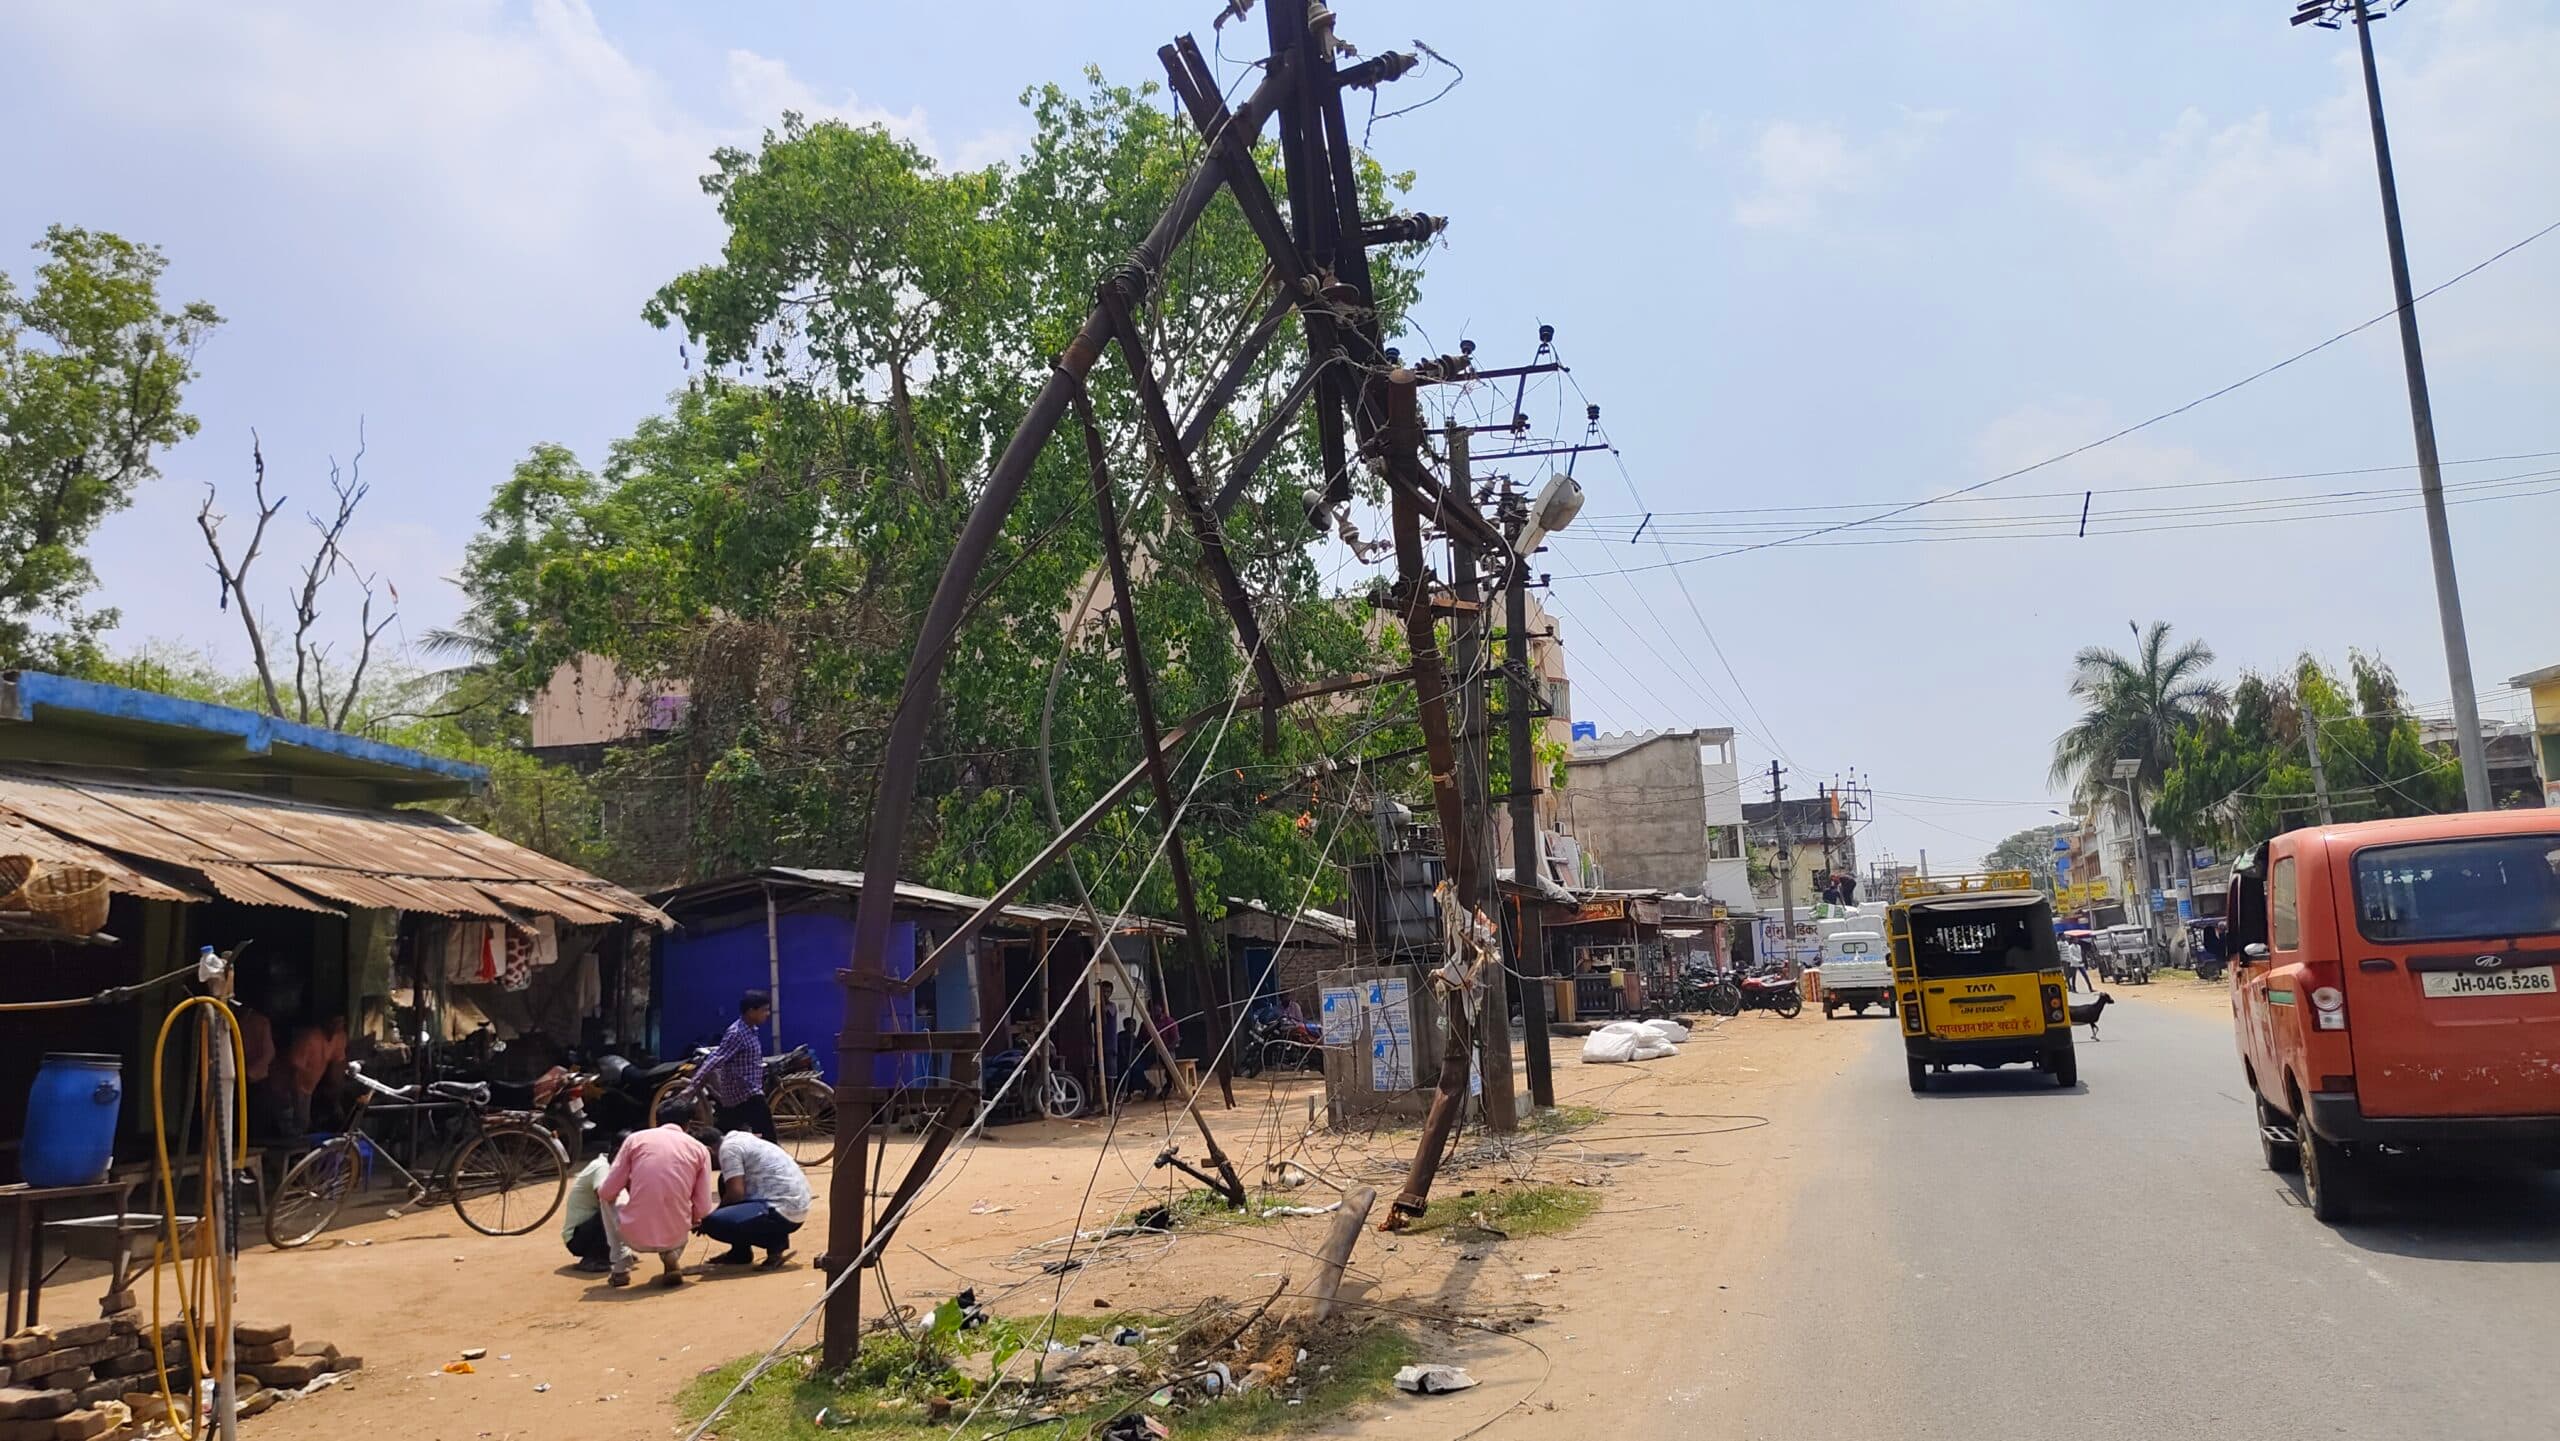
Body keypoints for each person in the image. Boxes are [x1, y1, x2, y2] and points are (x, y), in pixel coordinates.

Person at [597, 1099, 718, 1288]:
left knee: (606, 1196)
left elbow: (607, 1191)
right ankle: (672, 1253)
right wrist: (693, 1218)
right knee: (684, 1204)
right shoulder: (699, 1149)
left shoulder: (635, 1140)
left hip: (634, 1233)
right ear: (688, 1124)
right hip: (676, 1233)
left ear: (657, 1119)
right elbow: (703, 1207)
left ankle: (620, 1266)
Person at [698, 1125, 811, 1270]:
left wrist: (707, 1219)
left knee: (714, 1223)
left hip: (783, 1209)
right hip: (794, 1204)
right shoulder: (739, 1139)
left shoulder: (728, 1150)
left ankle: (775, 1244)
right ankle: (740, 1252)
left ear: (708, 1150)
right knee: (724, 1180)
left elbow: (735, 1194)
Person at [695, 990, 776, 1141]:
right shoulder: (736, 1033)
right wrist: (693, 1085)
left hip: (742, 1093)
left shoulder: (751, 1030)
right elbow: (716, 1058)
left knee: (728, 1131)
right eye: (764, 1010)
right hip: (743, 1093)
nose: (768, 1014)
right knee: (766, 1132)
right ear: (751, 1011)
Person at [561, 1135, 626, 1273]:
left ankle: (611, 1252)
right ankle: (593, 1258)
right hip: (578, 1239)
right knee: (612, 1209)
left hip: (587, 1232)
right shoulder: (602, 1167)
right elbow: (604, 1198)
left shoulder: (618, 1167)